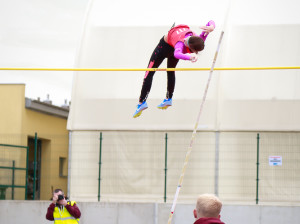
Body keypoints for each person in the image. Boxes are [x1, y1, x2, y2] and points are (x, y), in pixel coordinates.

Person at [133, 20, 215, 118]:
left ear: (192, 49)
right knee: (170, 71)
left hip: (164, 48)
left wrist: (190, 57)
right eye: (187, 39)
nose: (185, 40)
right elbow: (210, 21)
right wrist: (212, 27)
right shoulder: (196, 39)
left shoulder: (181, 43)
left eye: (186, 42)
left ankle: (142, 102)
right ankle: (168, 99)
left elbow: (177, 53)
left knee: (150, 72)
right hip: (169, 44)